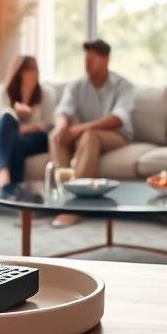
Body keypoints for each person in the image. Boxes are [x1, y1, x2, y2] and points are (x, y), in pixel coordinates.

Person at [49, 39, 134, 227]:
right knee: (56, 136)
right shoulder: (77, 86)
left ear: (106, 60)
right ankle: (65, 197)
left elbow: (118, 118)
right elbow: (63, 110)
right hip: (84, 137)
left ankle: (75, 207)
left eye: (91, 60)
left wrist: (80, 128)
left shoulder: (123, 85)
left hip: (117, 135)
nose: (86, 64)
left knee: (90, 134)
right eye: (85, 59)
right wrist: (62, 125)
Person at [0, 55, 55, 188]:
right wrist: (16, 114)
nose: (33, 74)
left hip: (36, 137)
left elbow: (49, 123)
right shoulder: (2, 91)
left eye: (35, 70)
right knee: (8, 123)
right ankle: (8, 180)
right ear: (19, 73)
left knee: (7, 142)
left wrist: (25, 128)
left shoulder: (46, 93)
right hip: (9, 134)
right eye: (28, 71)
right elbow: (1, 117)